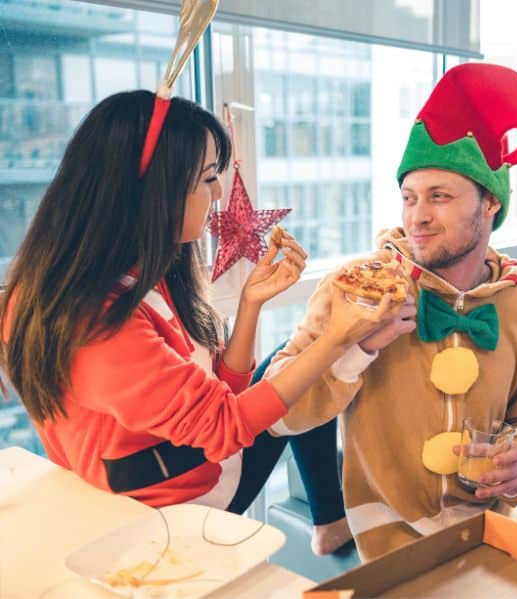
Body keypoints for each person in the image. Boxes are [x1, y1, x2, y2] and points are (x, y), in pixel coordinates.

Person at [0, 90, 401, 520]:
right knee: (307, 360)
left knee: (298, 363)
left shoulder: (147, 272)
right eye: (208, 177)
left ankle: (329, 519)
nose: (218, 193)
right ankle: (331, 519)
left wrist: (250, 305)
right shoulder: (93, 323)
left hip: (206, 469)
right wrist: (338, 338)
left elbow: (221, 391)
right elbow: (225, 425)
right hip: (175, 508)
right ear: (157, 190)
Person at [267, 63, 517, 560]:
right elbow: (277, 416)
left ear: (489, 204)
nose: (417, 215)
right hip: (392, 546)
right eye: (409, 197)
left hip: (498, 535)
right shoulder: (356, 289)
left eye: (439, 197)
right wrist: (355, 346)